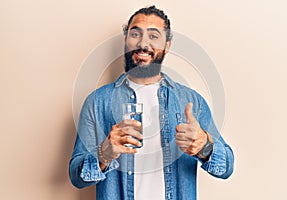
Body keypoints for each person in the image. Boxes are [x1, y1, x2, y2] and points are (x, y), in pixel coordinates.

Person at [69, 5, 234, 200]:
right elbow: (77, 178)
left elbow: (226, 168)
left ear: (167, 45)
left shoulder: (191, 101)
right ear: (125, 40)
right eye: (135, 34)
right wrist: (104, 154)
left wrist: (204, 146)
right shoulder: (97, 102)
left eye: (154, 36)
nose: (143, 43)